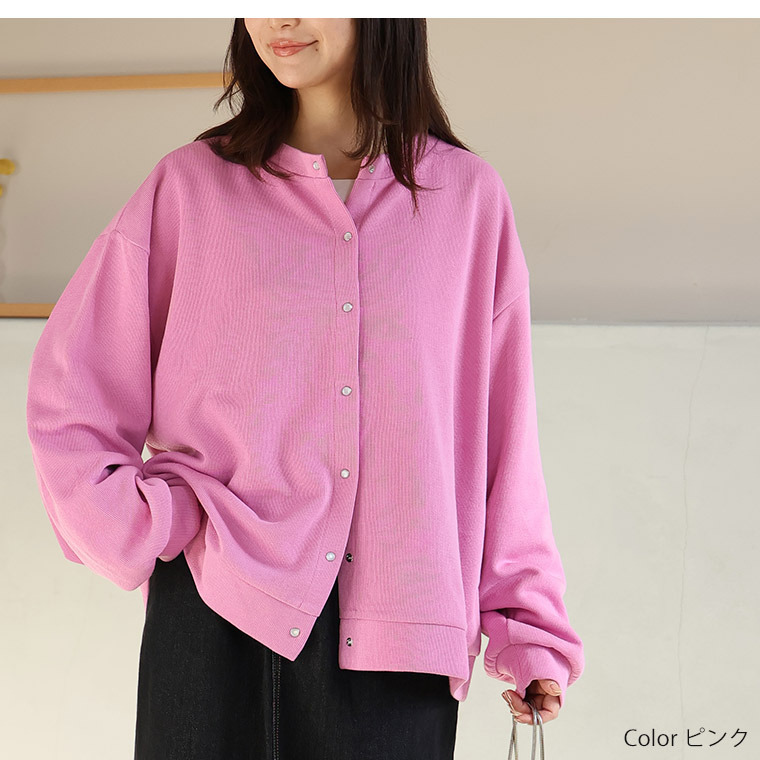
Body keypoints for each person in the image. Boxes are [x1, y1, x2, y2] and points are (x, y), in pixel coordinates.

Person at [26, 18, 584, 760]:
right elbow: (73, 396)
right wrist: (150, 524)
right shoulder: (191, 187)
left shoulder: (467, 200)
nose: (279, 17)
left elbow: (503, 436)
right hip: (215, 616)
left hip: (401, 637)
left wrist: (527, 629)